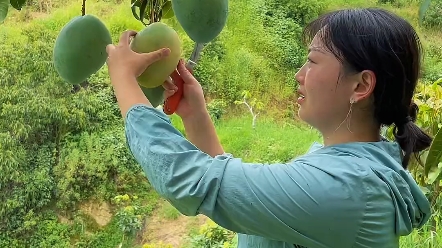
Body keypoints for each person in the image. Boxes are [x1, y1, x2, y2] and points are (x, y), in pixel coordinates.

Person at [105, 7, 433, 248]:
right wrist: (195, 115)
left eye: (313, 60)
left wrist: (123, 79)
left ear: (361, 86)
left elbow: (193, 180)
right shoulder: (340, 166)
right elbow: (246, 201)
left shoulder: (349, 189)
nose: (299, 74)